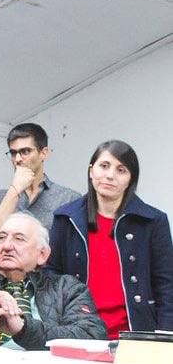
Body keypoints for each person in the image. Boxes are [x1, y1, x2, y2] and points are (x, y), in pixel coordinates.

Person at [47, 140, 173, 339]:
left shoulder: (153, 221)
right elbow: (50, 276)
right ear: (91, 171)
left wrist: (165, 337)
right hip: (76, 332)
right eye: (104, 166)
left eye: (121, 170)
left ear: (131, 179)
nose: (110, 175)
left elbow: (167, 285)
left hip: (136, 335)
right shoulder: (65, 218)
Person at [0, 213, 106, 350]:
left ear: (42, 254)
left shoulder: (67, 289)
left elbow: (92, 337)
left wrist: (23, 328)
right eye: (2, 237)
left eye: (19, 239)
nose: (6, 246)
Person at [0, 123, 80, 248]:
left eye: (25, 151)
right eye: (13, 153)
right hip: (6, 268)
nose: (17, 159)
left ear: (44, 153)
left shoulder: (69, 199)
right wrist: (15, 189)